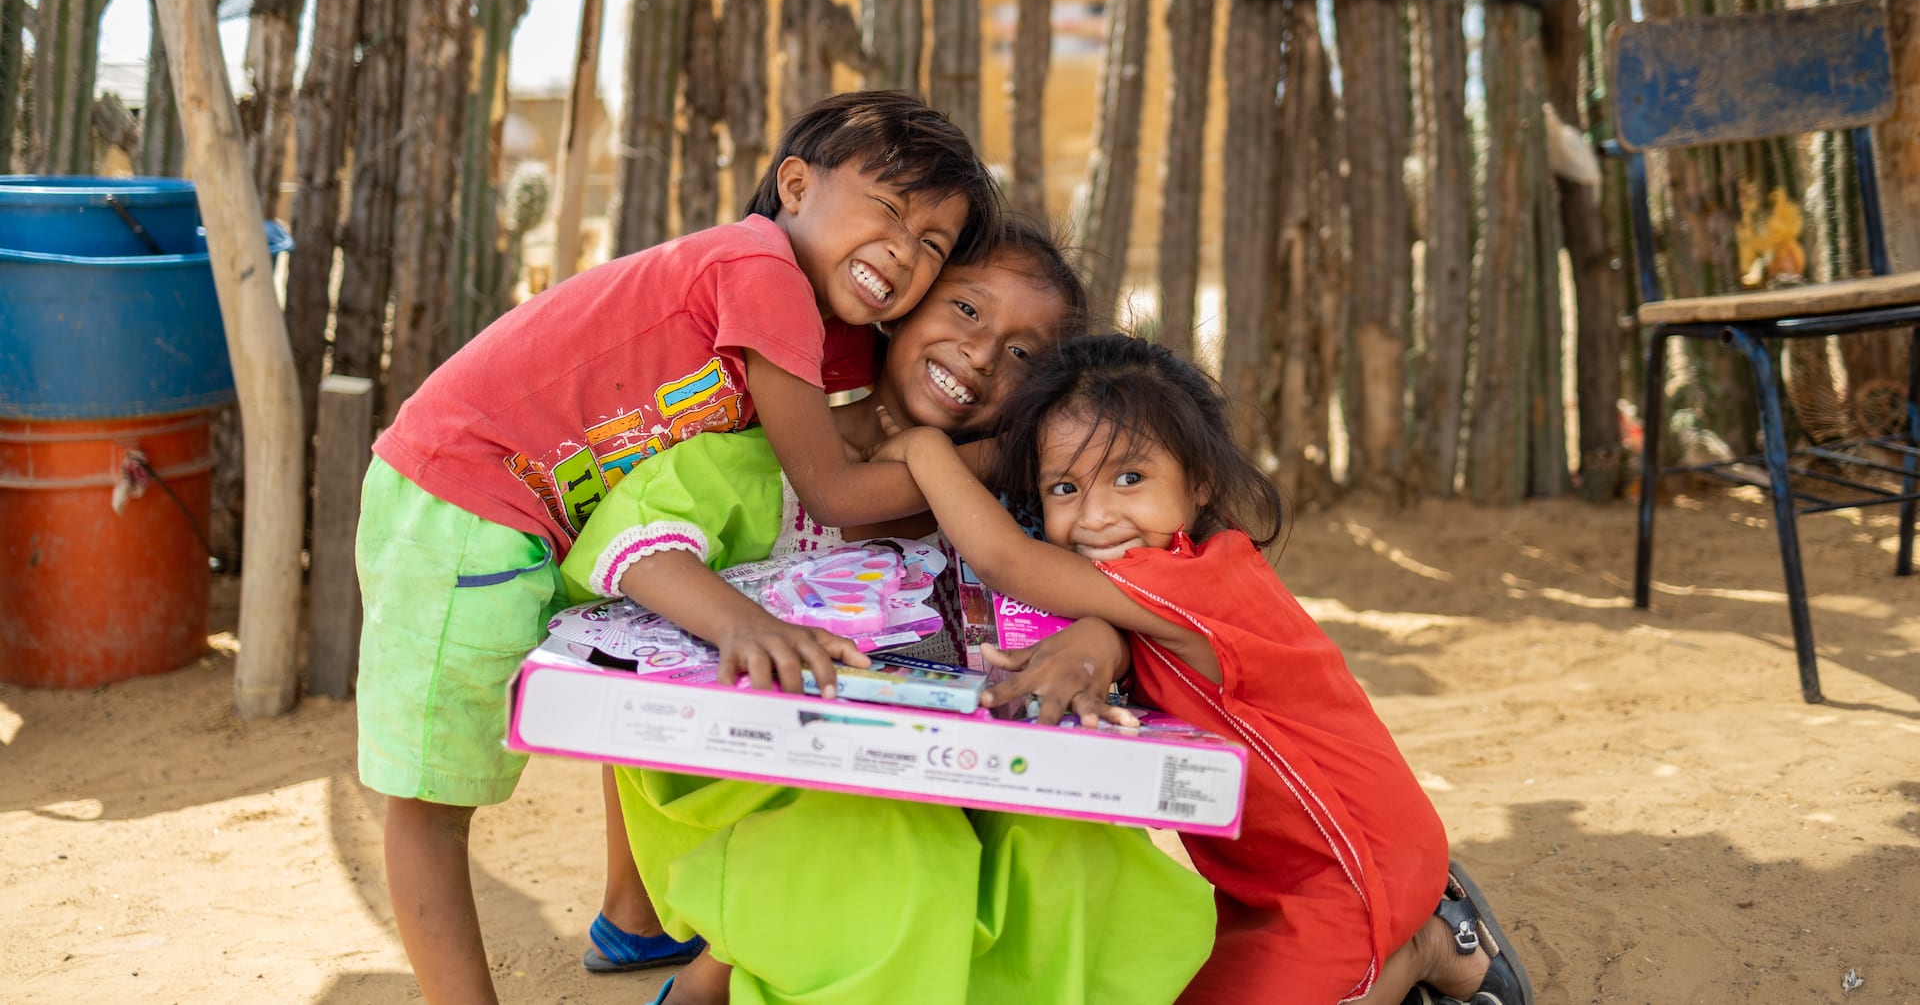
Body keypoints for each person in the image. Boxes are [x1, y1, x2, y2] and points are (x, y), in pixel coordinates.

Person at [354, 91, 1001, 1005]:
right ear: (793, 185)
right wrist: (989, 459)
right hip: (465, 496)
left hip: (553, 516)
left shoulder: (837, 337)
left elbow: (866, 448)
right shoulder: (759, 263)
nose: (906, 249)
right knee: (432, 798)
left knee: (640, 668)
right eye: (890, 210)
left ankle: (637, 914)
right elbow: (834, 486)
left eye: (934, 243)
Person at [559, 224, 1216, 1005]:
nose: (980, 353)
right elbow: (632, 543)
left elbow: (1091, 593)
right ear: (894, 315)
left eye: (1022, 355)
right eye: (966, 309)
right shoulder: (761, 458)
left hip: (962, 784)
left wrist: (1097, 641)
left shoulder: (1022, 510)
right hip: (760, 778)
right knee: (898, 855)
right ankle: (736, 971)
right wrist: (744, 623)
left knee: (1075, 854)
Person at [874, 333, 1536, 1005]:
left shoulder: (1195, 580)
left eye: (1129, 478)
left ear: (1201, 483)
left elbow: (1008, 561)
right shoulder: (1177, 570)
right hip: (1269, 885)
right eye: (1065, 487)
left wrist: (927, 451)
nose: (1097, 515)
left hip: (1349, 874)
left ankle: (1425, 943)